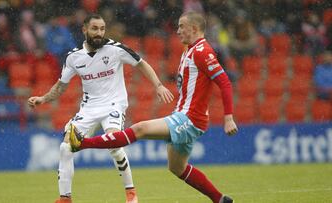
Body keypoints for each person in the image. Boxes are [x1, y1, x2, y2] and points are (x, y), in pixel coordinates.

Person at [68, 12, 238, 203]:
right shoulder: (189, 51)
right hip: (185, 115)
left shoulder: (202, 51)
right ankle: (219, 199)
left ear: (194, 29)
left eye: (182, 26)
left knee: (140, 129)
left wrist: (228, 117)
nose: (178, 30)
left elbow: (224, 82)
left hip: (190, 118)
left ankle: (82, 143)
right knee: (177, 168)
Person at [28, 14, 173, 203]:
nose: (99, 33)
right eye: (95, 28)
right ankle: (65, 198)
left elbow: (141, 63)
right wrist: (43, 98)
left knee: (114, 144)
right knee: (65, 147)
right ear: (84, 30)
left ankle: (131, 193)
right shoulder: (73, 57)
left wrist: (159, 85)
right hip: (88, 108)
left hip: (114, 104)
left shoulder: (115, 49)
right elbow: (61, 85)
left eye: (102, 29)